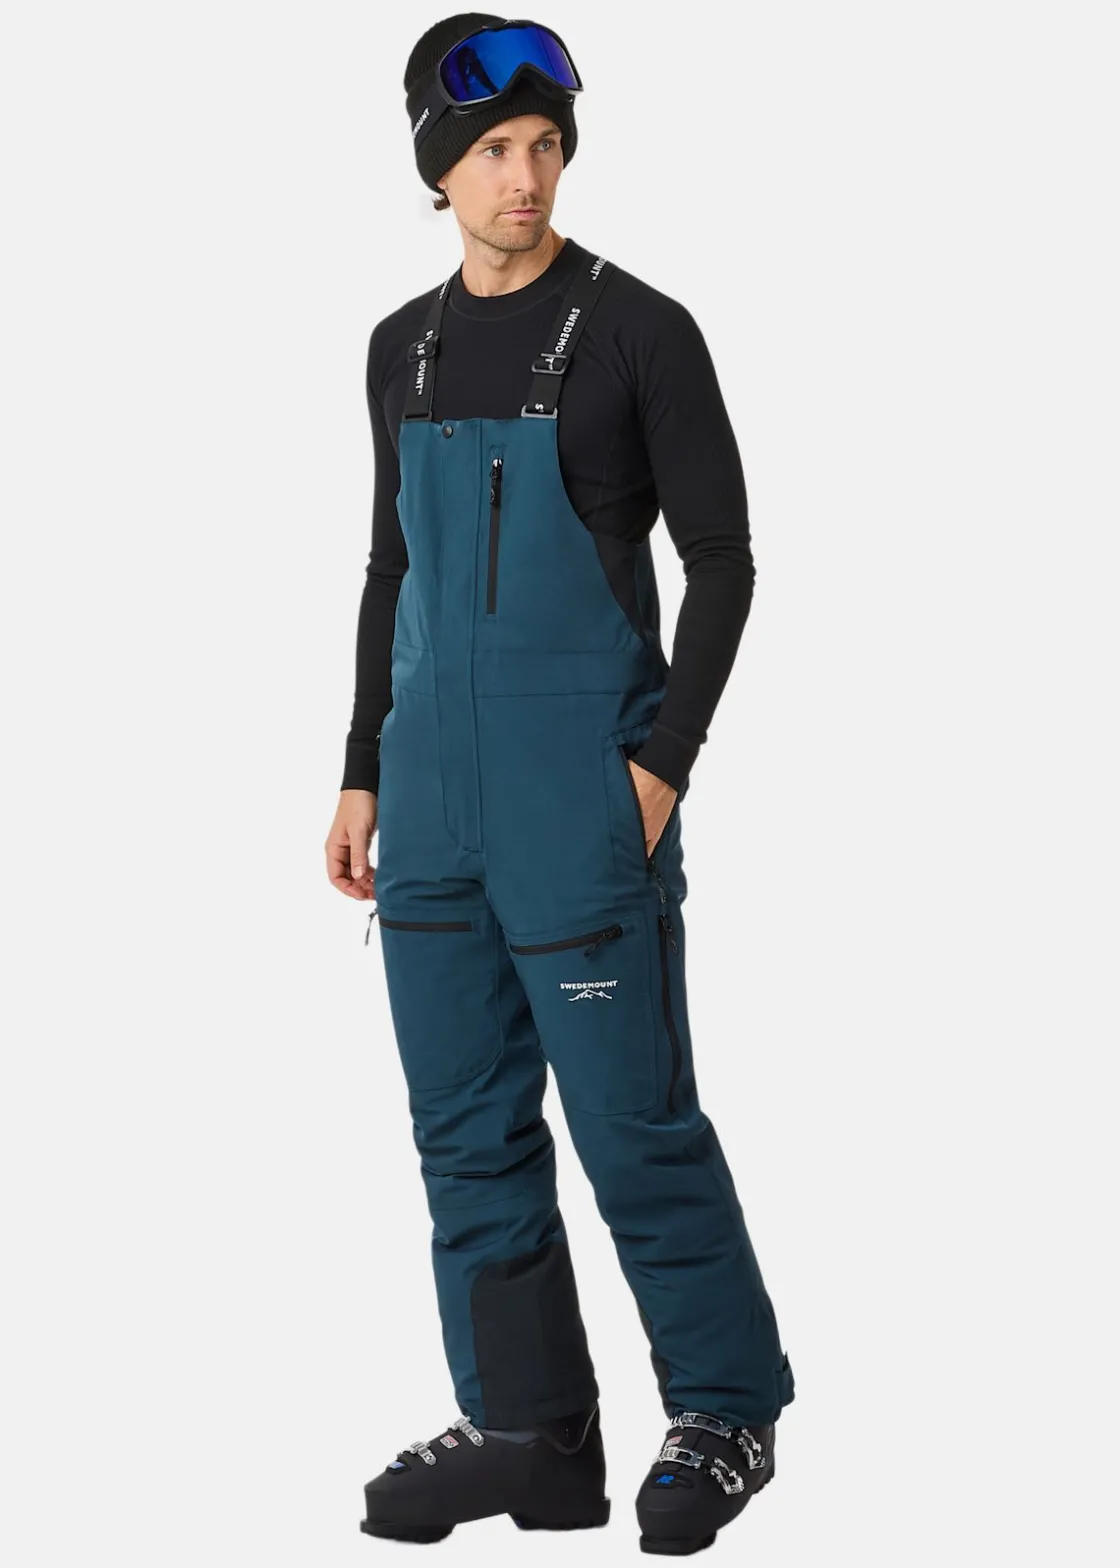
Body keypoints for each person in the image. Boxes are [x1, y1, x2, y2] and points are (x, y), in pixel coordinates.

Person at [324, 15, 796, 1555]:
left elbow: (722, 562)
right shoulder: (397, 347)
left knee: (633, 1125)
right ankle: (535, 1434)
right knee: (465, 1133)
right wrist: (360, 771)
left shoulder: (642, 330)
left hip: (581, 798)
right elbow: (391, 567)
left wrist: (661, 770)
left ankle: (723, 1410)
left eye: (543, 148)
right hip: (431, 806)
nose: (524, 179)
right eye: (491, 153)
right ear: (437, 169)